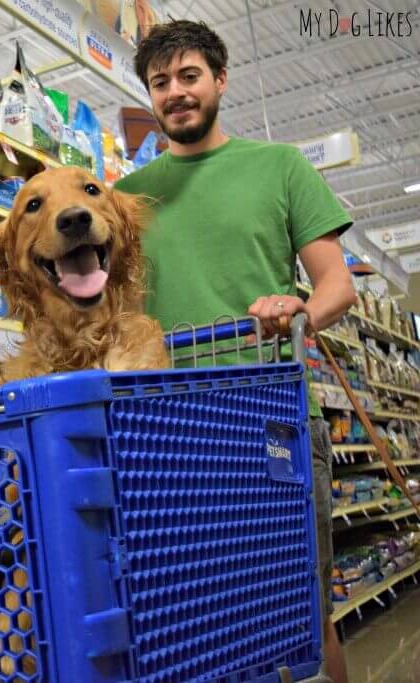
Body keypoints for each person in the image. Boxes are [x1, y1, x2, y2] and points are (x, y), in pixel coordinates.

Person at [115, 20, 356, 683]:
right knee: (197, 609)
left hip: (270, 419)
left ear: (220, 80)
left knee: (303, 604)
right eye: (160, 83)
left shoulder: (278, 166)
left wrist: (299, 310)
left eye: (189, 76)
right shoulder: (128, 200)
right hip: (171, 430)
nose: (176, 93)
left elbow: (337, 284)